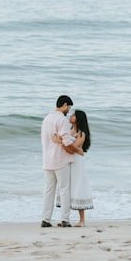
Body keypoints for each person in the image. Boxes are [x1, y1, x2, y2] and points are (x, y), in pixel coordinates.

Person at [40, 95, 76, 228]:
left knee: (49, 190)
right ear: (65, 105)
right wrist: (76, 149)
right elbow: (66, 142)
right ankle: (65, 219)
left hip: (47, 160)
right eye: (69, 107)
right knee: (64, 189)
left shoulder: (46, 119)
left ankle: (45, 219)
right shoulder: (62, 120)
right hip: (60, 160)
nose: (69, 111)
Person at [54, 110, 93, 226]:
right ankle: (66, 218)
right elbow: (72, 148)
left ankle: (82, 220)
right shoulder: (69, 131)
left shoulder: (81, 134)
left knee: (78, 187)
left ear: (78, 119)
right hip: (68, 160)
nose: (71, 116)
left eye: (74, 115)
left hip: (77, 163)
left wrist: (61, 142)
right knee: (68, 188)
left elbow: (73, 148)